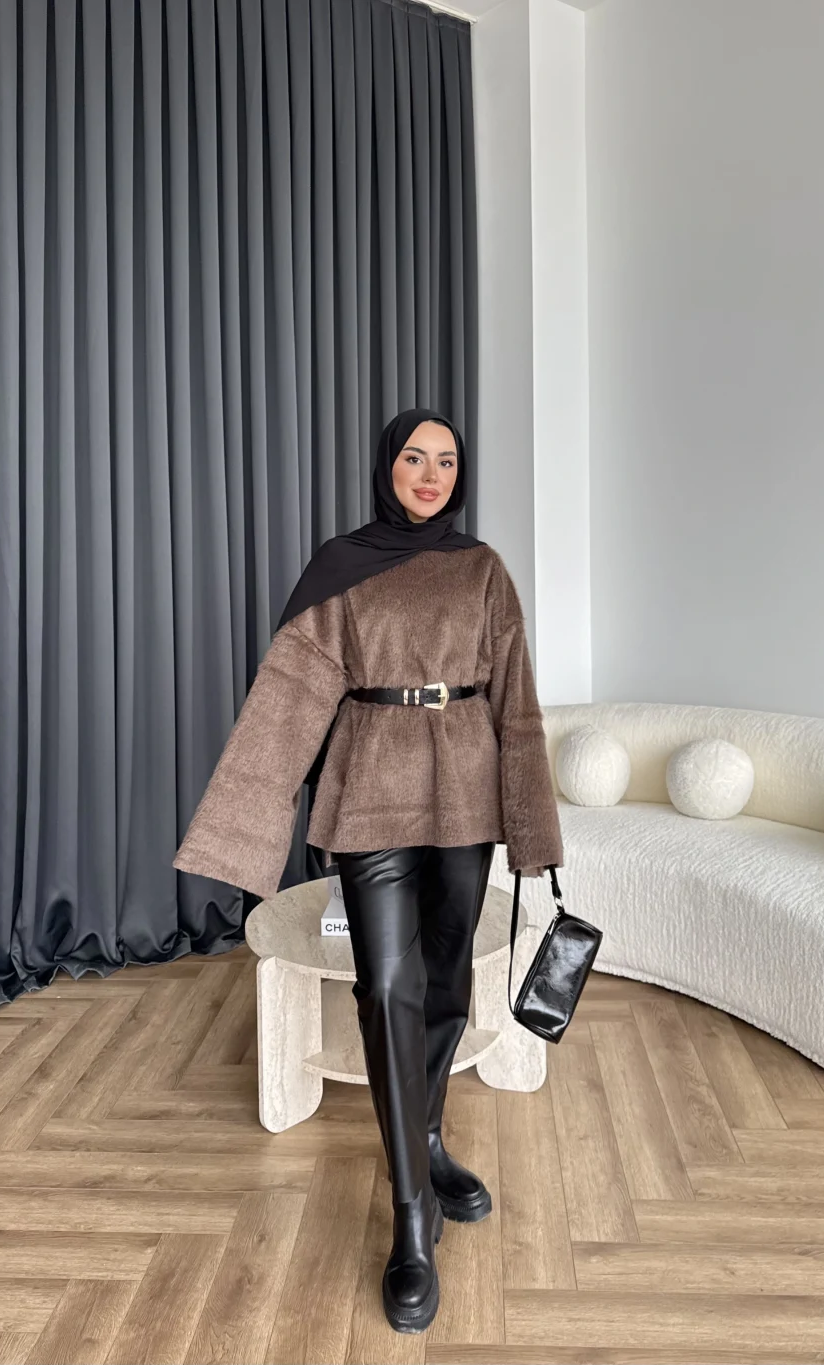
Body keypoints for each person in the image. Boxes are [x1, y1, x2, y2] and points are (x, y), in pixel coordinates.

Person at [173, 406, 564, 1334]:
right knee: (387, 985)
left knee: (447, 981)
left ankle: (425, 1139)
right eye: (414, 458)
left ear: (459, 475)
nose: (430, 474)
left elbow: (517, 705)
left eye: (446, 461)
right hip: (372, 789)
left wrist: (535, 832)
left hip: (466, 790)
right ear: (387, 466)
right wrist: (242, 828)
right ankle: (412, 1215)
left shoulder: (483, 569)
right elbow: (289, 696)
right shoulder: (342, 567)